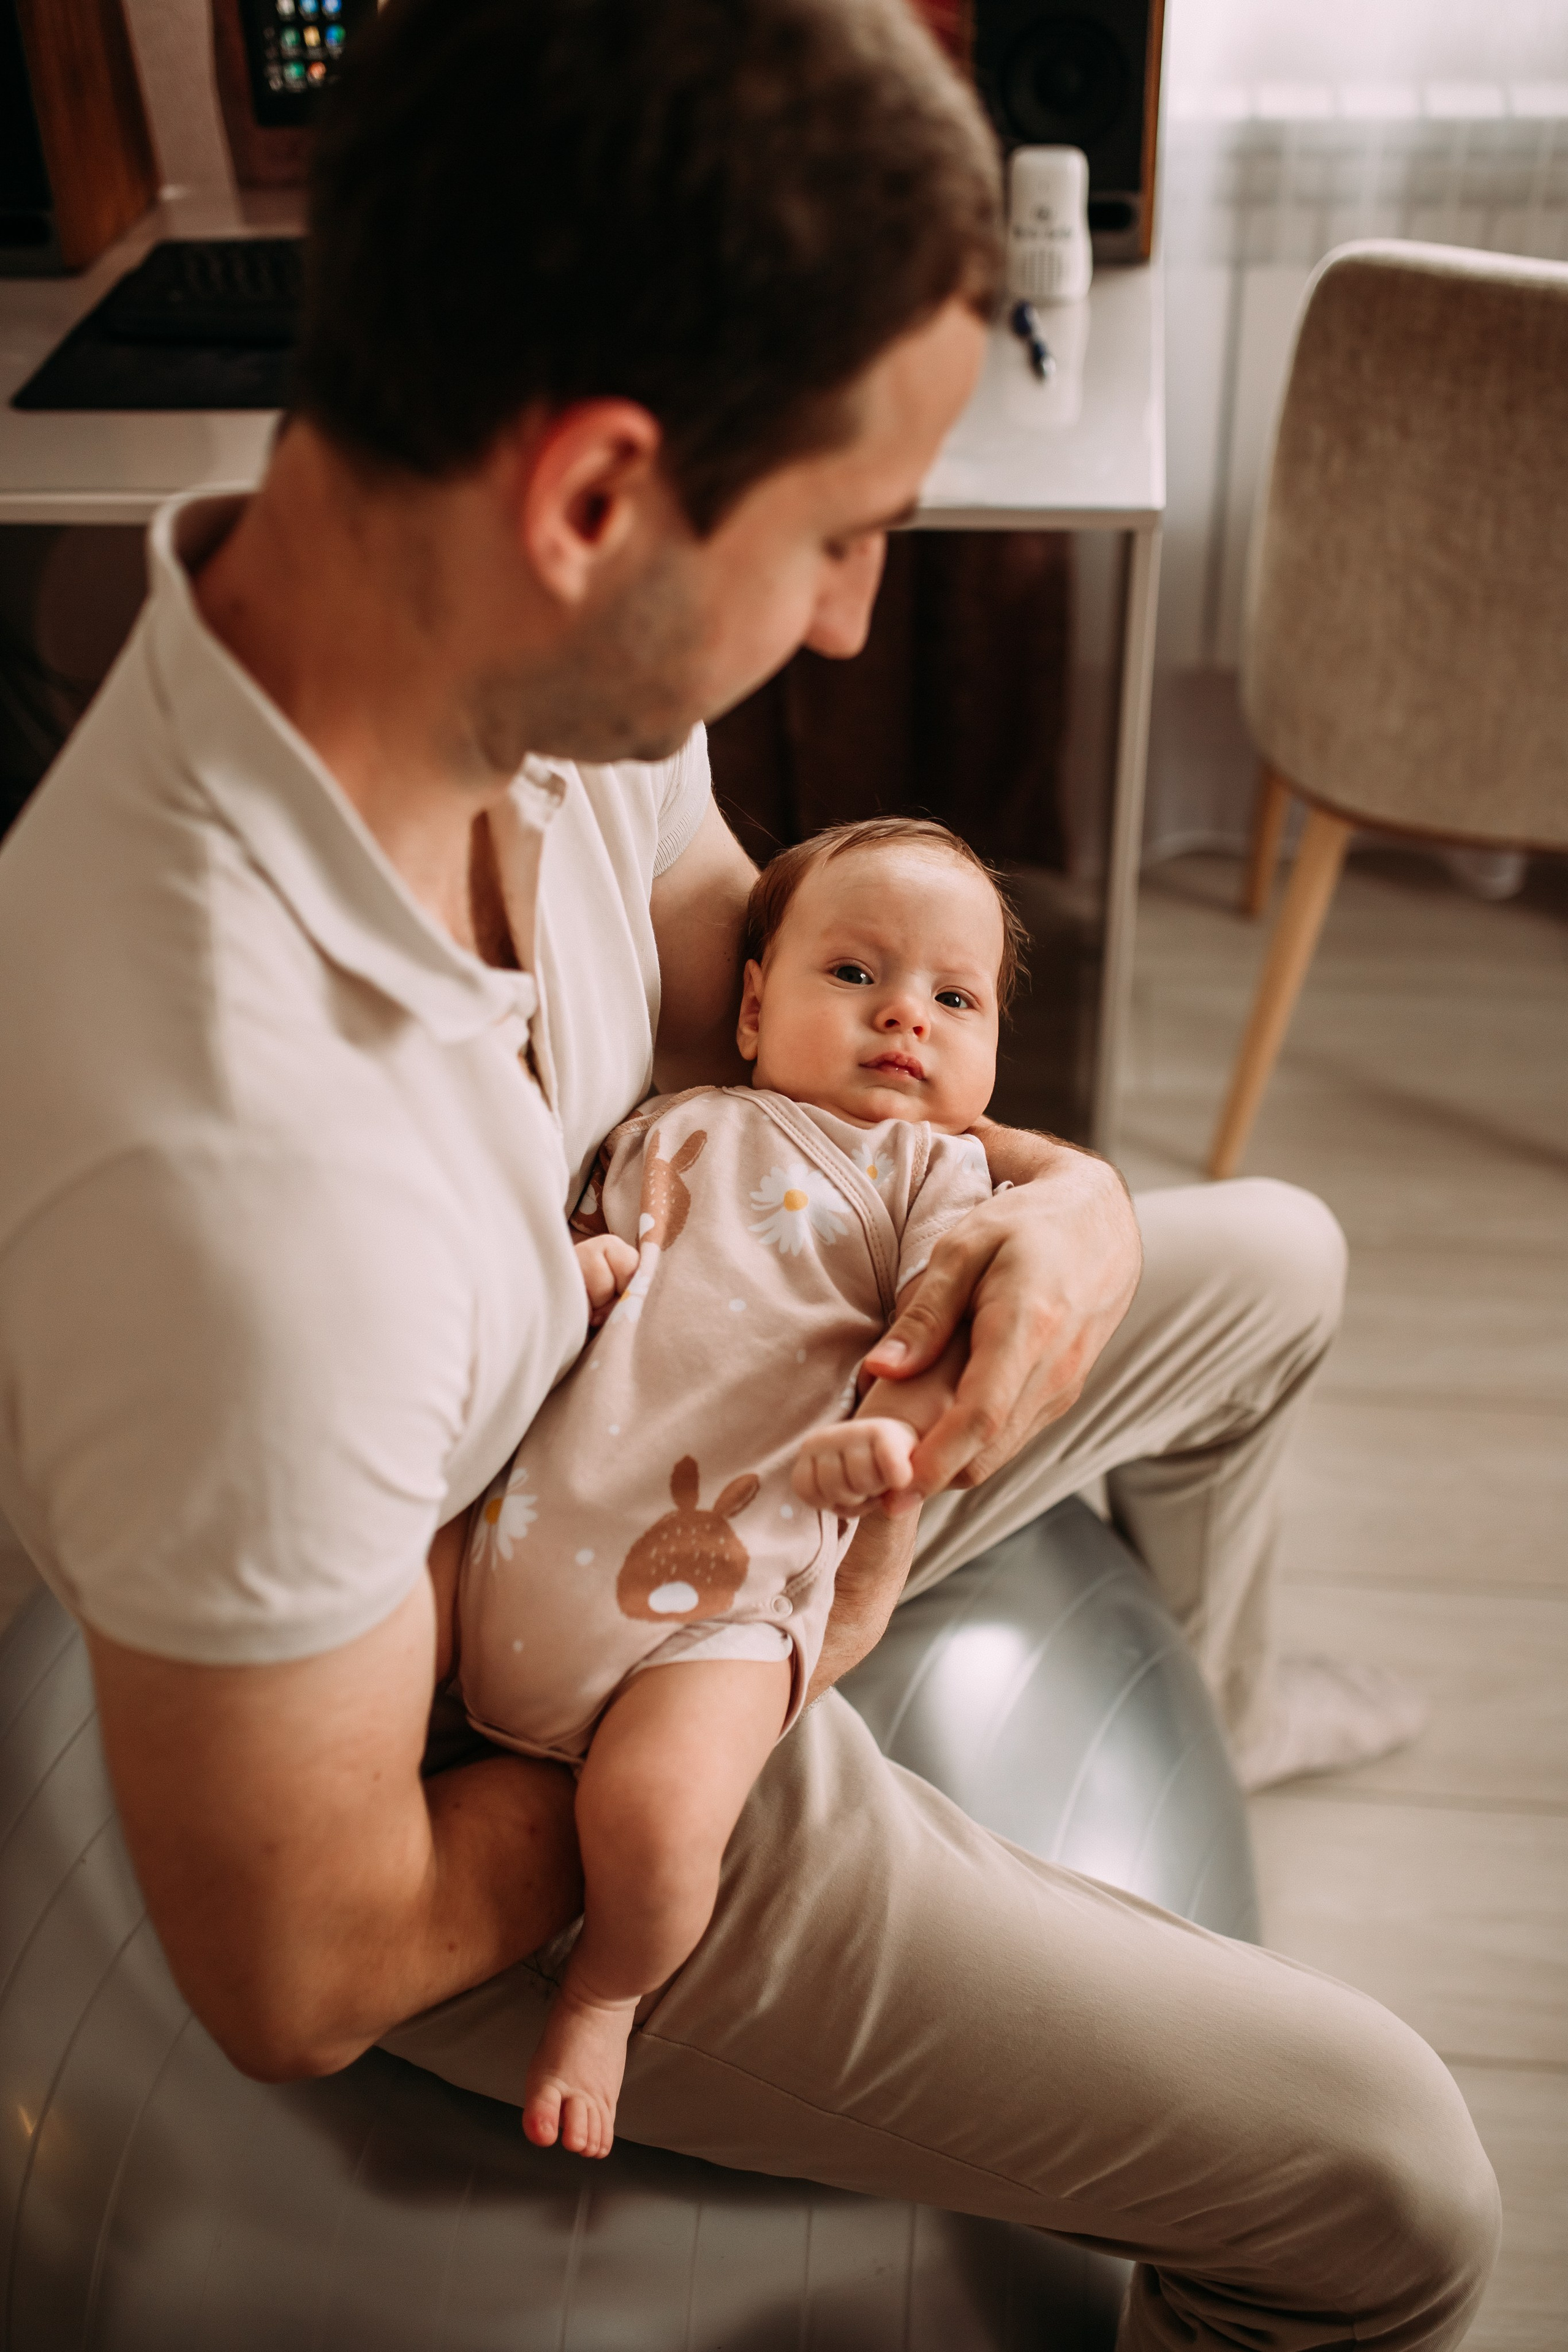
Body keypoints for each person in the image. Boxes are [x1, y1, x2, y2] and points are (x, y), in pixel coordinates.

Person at [0, 0, 1496, 2343]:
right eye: (842, 534)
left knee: (1271, 1260)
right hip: (531, 1729)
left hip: (715, 1415)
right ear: (596, 494)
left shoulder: (532, 674)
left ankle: (1191, 1718)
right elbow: (303, 1956)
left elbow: (737, 995)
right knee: (1402, 2185)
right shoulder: (228, 1186)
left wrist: (1056, 1201)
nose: (852, 618)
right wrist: (770, 1672)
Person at [451, 817, 1012, 2158]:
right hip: (541, 1536)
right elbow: (590, 1242)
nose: (904, 1020)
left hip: (725, 1598)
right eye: (855, 975)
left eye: (953, 997)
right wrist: (573, 1279)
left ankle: (604, 1989)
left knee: (650, 1830)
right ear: (753, 1006)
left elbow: (946, 1328)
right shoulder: (671, 1121)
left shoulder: (935, 1171)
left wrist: (891, 1438)